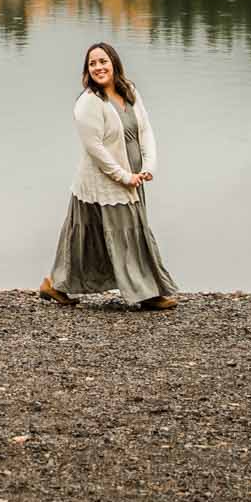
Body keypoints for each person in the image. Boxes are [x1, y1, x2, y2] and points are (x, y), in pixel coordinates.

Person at [40, 41, 178, 311]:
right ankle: (145, 293)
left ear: (114, 63)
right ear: (87, 70)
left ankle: (54, 285)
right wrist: (123, 176)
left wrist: (148, 166)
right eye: (92, 63)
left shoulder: (130, 93)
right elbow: (95, 150)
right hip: (101, 182)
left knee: (117, 235)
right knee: (116, 235)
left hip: (133, 177)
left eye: (103, 61)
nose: (98, 67)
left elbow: (145, 131)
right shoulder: (88, 103)